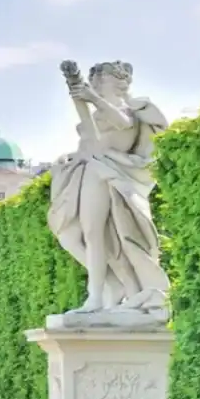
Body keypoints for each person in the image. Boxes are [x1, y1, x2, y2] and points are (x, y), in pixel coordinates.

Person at [49, 61, 170, 313]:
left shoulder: (130, 111)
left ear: (117, 82)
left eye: (98, 81)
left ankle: (96, 297)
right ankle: (112, 284)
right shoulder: (98, 113)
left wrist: (92, 98)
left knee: (93, 233)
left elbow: (123, 125)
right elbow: (93, 143)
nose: (93, 85)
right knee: (68, 234)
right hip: (84, 169)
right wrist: (70, 156)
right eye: (91, 81)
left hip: (105, 171)